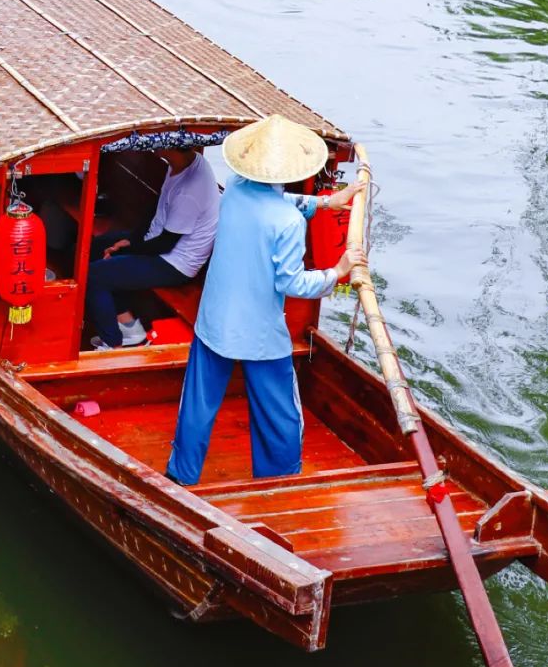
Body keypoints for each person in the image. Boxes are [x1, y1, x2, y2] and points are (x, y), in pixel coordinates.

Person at [166, 115, 363, 484]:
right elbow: (292, 282)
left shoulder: (236, 189)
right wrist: (337, 272)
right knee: (280, 417)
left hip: (215, 321)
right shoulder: (288, 223)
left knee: (197, 405)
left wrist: (324, 204)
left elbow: (276, 201)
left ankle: (181, 475)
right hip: (258, 333)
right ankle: (279, 482)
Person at [86, 146, 221, 350]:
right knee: (96, 247)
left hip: (174, 263)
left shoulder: (190, 191)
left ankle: (112, 344)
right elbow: (157, 208)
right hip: (158, 242)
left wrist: (125, 250)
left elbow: (165, 244)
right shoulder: (181, 163)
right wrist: (131, 240)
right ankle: (129, 326)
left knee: (94, 276)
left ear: (173, 148)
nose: (153, 144)